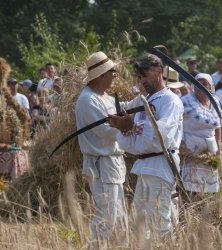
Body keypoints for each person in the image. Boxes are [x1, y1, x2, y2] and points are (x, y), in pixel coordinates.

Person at [109, 53, 183, 239]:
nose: (142, 81)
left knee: (160, 222)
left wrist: (132, 125)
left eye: (145, 75)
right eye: (139, 77)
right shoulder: (145, 101)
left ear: (159, 72)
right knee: (140, 223)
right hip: (144, 167)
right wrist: (124, 128)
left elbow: (161, 135)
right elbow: (134, 144)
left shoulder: (170, 100)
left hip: (160, 165)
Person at [75, 51, 129, 241]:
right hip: (101, 164)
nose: (115, 74)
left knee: (120, 216)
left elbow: (122, 109)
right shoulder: (88, 100)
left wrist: (144, 103)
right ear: (101, 75)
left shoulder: (104, 96)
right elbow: (107, 131)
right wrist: (132, 128)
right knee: (107, 215)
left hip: (113, 162)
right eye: (112, 71)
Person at [180, 73, 221, 196]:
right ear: (193, 85)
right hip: (190, 151)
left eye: (205, 84)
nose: (201, 87)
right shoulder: (186, 101)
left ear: (211, 86)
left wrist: (219, 148)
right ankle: (188, 213)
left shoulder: (215, 102)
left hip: (210, 153)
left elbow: (218, 126)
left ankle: (204, 213)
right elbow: (176, 122)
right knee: (191, 188)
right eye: (198, 84)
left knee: (208, 189)